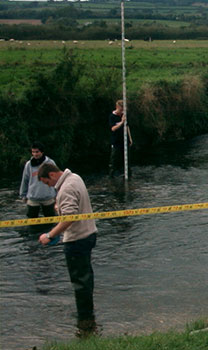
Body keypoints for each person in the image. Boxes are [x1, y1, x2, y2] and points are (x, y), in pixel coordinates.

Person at [37, 163, 99, 338]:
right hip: (89, 234)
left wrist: (50, 235)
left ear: (52, 175)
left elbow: (69, 218)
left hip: (77, 239)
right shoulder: (75, 178)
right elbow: (73, 208)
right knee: (86, 278)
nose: (48, 187)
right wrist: (59, 209)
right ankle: (89, 316)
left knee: (80, 282)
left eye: (46, 183)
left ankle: (85, 322)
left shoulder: (66, 189)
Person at [19, 142, 57, 218]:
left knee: (50, 221)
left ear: (42, 152)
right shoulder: (28, 164)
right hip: (33, 198)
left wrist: (58, 194)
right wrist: (23, 195)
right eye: (33, 152)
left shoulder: (50, 163)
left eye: (37, 152)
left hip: (48, 197)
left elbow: (56, 179)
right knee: (31, 220)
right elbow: (25, 180)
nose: (35, 154)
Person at [109, 99, 132, 177]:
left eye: (123, 109)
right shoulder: (112, 116)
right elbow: (113, 128)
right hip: (116, 141)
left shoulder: (124, 115)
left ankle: (128, 175)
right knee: (114, 160)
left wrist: (130, 138)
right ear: (117, 107)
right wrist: (122, 122)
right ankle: (112, 176)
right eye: (120, 109)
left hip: (124, 141)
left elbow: (127, 126)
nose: (121, 111)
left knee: (126, 160)